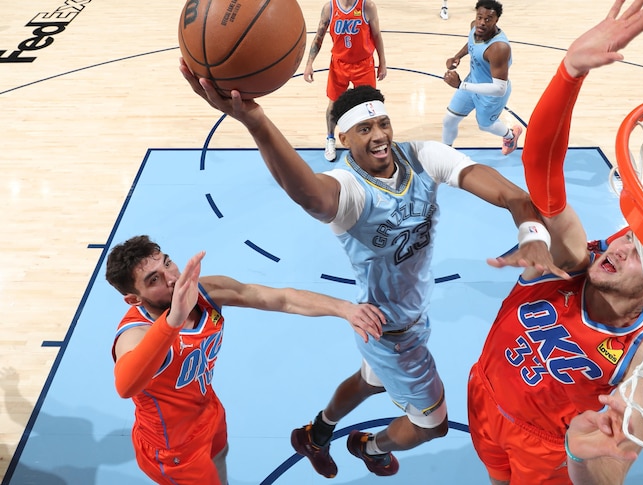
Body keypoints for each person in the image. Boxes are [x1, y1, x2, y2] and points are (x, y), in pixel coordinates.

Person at [180, 54, 562, 477]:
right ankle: (371, 446)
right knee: (431, 426)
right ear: (344, 138)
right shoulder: (349, 190)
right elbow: (309, 195)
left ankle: (317, 432)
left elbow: (511, 195)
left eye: (383, 123)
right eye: (364, 129)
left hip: (385, 318)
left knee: (368, 382)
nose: (379, 135)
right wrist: (256, 122)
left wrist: (533, 236)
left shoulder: (423, 156)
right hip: (395, 337)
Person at [466, 1, 643, 484]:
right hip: (483, 395)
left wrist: (586, 456)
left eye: (641, 255)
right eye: (628, 240)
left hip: (547, 447)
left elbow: (610, 462)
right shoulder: (574, 261)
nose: (619, 249)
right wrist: (569, 71)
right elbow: (543, 179)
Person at [107, 235, 386, 484]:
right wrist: (173, 320)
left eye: (167, 264)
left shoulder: (204, 292)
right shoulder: (137, 333)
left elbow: (282, 299)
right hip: (173, 449)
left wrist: (346, 309)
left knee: (220, 464)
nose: (171, 278)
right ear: (134, 300)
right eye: (153, 280)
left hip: (209, 413)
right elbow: (126, 385)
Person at [303, 0, 387, 162]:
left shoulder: (367, 6)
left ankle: (367, 142)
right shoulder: (329, 8)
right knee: (333, 105)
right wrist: (309, 64)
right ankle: (330, 138)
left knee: (368, 107)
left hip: (363, 64)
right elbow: (319, 37)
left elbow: (376, 35)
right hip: (339, 64)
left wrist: (382, 62)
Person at [442, 0, 522, 156]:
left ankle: (511, 136)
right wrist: (457, 57)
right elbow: (471, 43)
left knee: (485, 126)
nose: (482, 22)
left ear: (496, 20)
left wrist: (460, 85)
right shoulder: (475, 27)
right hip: (472, 82)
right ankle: (445, 154)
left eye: (488, 19)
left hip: (491, 94)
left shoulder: (499, 48)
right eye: (480, 17)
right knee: (449, 120)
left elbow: (499, 89)